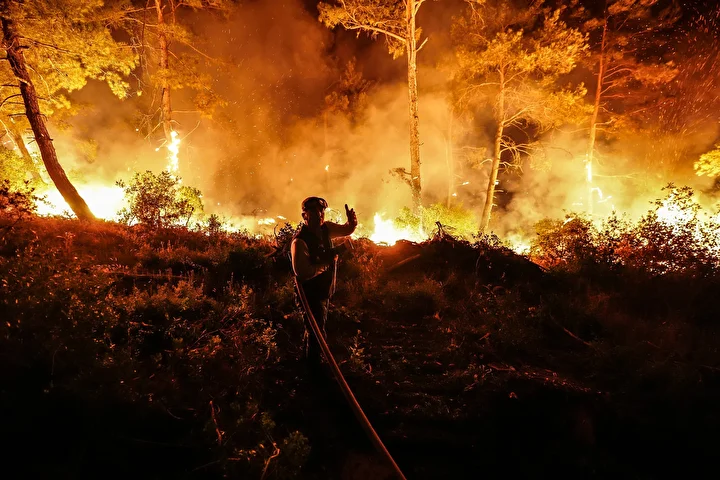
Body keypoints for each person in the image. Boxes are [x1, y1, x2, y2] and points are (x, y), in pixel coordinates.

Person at [291, 196, 357, 366]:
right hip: (309, 294)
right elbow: (303, 272)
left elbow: (346, 230)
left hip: (323, 291)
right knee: (317, 333)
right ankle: (315, 369)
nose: (319, 215)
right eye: (313, 212)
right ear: (304, 215)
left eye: (321, 212)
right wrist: (326, 263)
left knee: (316, 329)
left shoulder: (326, 229)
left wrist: (352, 223)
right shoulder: (300, 241)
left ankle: (308, 362)